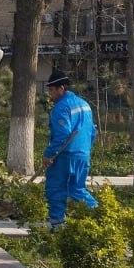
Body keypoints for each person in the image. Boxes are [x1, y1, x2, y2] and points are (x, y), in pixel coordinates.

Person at [42, 71, 98, 227]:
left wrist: (48, 154)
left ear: (62, 88)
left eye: (52, 90)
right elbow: (93, 132)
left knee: (56, 189)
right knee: (77, 189)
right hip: (83, 154)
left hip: (65, 156)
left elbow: (62, 135)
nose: (50, 94)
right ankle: (100, 213)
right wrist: (85, 150)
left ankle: (57, 225)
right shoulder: (84, 104)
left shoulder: (61, 108)